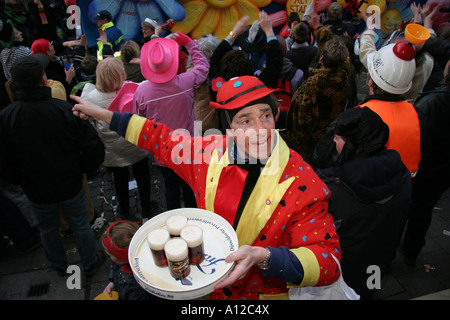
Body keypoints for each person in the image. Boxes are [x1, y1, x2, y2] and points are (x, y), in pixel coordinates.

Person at [71, 75, 341, 300]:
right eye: (245, 120)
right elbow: (160, 139)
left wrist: (267, 256)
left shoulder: (302, 182)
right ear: (229, 129)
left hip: (260, 296)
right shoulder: (207, 154)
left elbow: (329, 261)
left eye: (266, 115)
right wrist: (105, 115)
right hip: (209, 291)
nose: (260, 130)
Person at [0, 55, 105, 277]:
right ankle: (89, 262)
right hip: (69, 182)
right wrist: (83, 169)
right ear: (43, 79)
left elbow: (4, 161)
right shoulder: (65, 110)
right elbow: (93, 146)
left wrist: (20, 179)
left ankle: (59, 264)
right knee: (80, 224)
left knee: (48, 229)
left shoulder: (6, 118)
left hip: (36, 189)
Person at [316, 107, 411, 300]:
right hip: (379, 259)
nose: (333, 139)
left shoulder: (333, 191)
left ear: (353, 144)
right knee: (369, 291)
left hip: (346, 269)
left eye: (339, 137)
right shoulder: (403, 173)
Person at [133, 32, 209, 210]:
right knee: (190, 186)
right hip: (189, 147)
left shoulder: (141, 93)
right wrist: (190, 44)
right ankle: (195, 218)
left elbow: (140, 123)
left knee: (170, 187)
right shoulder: (186, 81)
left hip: (163, 150)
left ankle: (174, 222)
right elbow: (203, 67)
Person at [81, 57, 156, 221]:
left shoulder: (92, 97)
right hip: (135, 143)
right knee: (143, 177)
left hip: (112, 150)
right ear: (120, 73)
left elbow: (85, 92)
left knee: (119, 180)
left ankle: (124, 211)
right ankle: (146, 207)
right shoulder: (134, 90)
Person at [400, 37, 450, 266]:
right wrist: (427, 38)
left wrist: (411, 112)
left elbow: (416, 137)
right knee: (424, 208)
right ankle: (412, 248)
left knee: (410, 207)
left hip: (426, 165)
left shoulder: (433, 104)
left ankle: (397, 251)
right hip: (442, 168)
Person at [286, 36, 352, 164]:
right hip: (333, 135)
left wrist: (299, 142)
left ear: (321, 58)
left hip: (312, 142)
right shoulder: (345, 76)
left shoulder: (313, 84)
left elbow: (304, 119)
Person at [209, 11, 283, 107]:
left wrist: (234, 33)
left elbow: (215, 57)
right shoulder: (257, 85)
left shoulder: (218, 85)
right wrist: (269, 30)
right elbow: (275, 63)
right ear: (249, 68)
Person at [102, 221, 159, 300]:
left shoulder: (135, 289)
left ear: (121, 258)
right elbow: (116, 267)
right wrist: (113, 282)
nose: (110, 258)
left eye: (110, 255)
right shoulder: (125, 260)